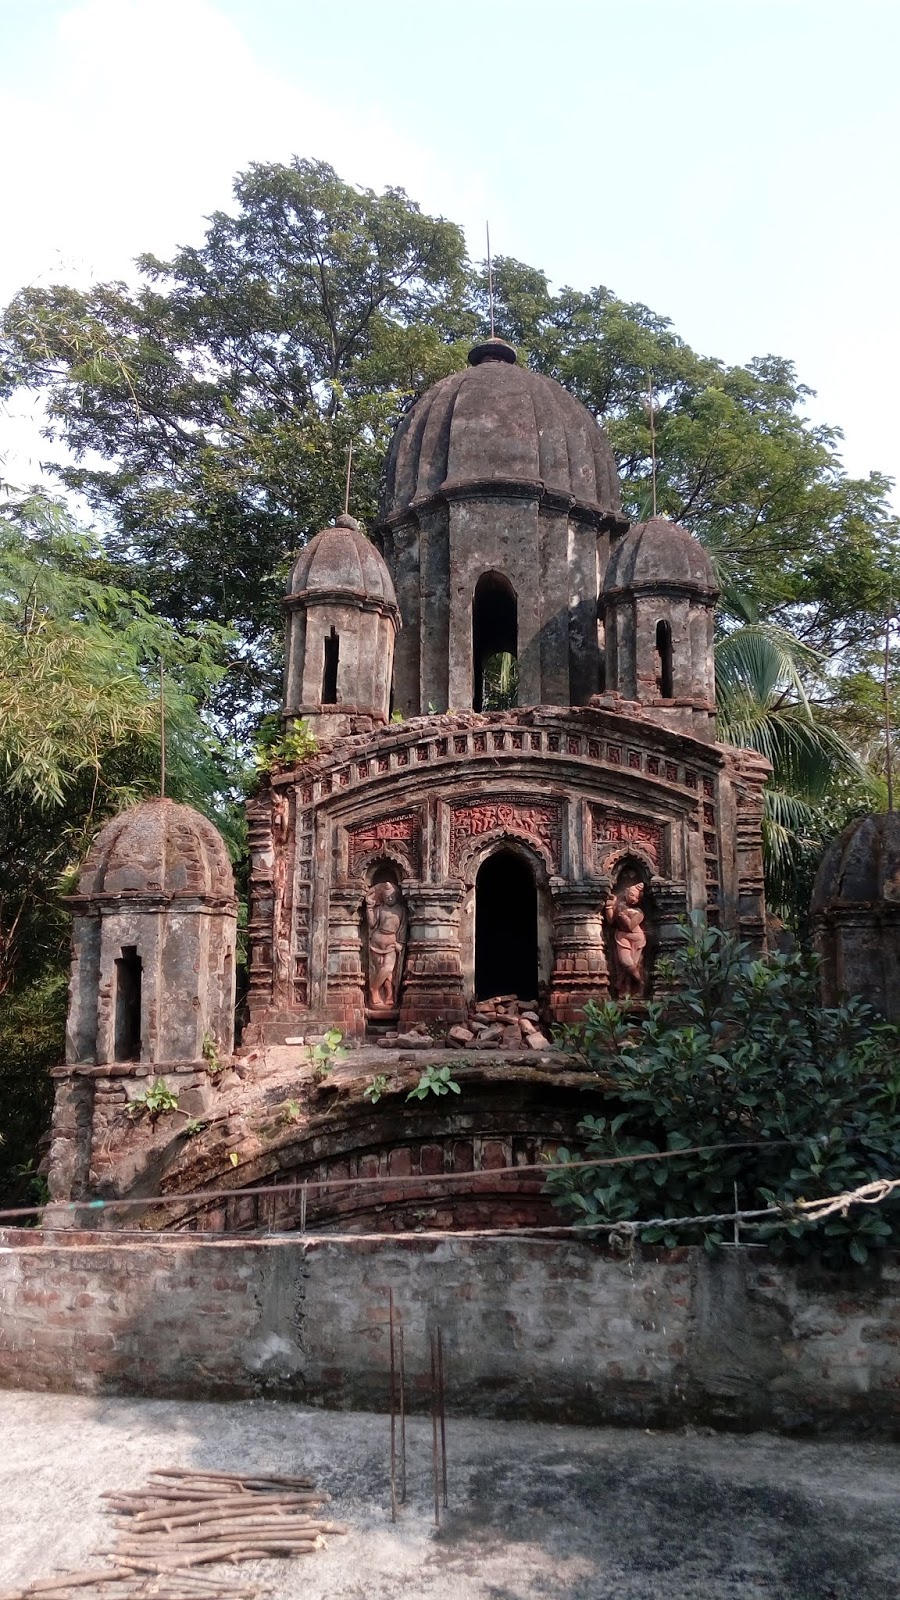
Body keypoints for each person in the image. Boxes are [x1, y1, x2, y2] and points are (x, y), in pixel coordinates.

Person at [364, 880, 407, 1009]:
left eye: (392, 897)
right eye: (387, 897)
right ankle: (388, 995)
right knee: (381, 970)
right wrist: (369, 907)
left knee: (388, 968)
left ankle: (374, 988)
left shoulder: (400, 910)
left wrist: (400, 943)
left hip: (391, 943)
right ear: (383, 897)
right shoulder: (380, 909)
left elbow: (403, 928)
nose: (390, 899)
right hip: (377, 941)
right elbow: (372, 924)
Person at [604, 881, 647, 998]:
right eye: (632, 895)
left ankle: (629, 988)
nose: (633, 899)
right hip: (622, 935)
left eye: (637, 898)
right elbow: (611, 920)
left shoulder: (639, 912)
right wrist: (609, 906)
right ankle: (636, 983)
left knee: (631, 965)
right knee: (625, 962)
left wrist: (624, 916)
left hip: (636, 937)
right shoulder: (619, 906)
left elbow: (630, 926)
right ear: (626, 892)